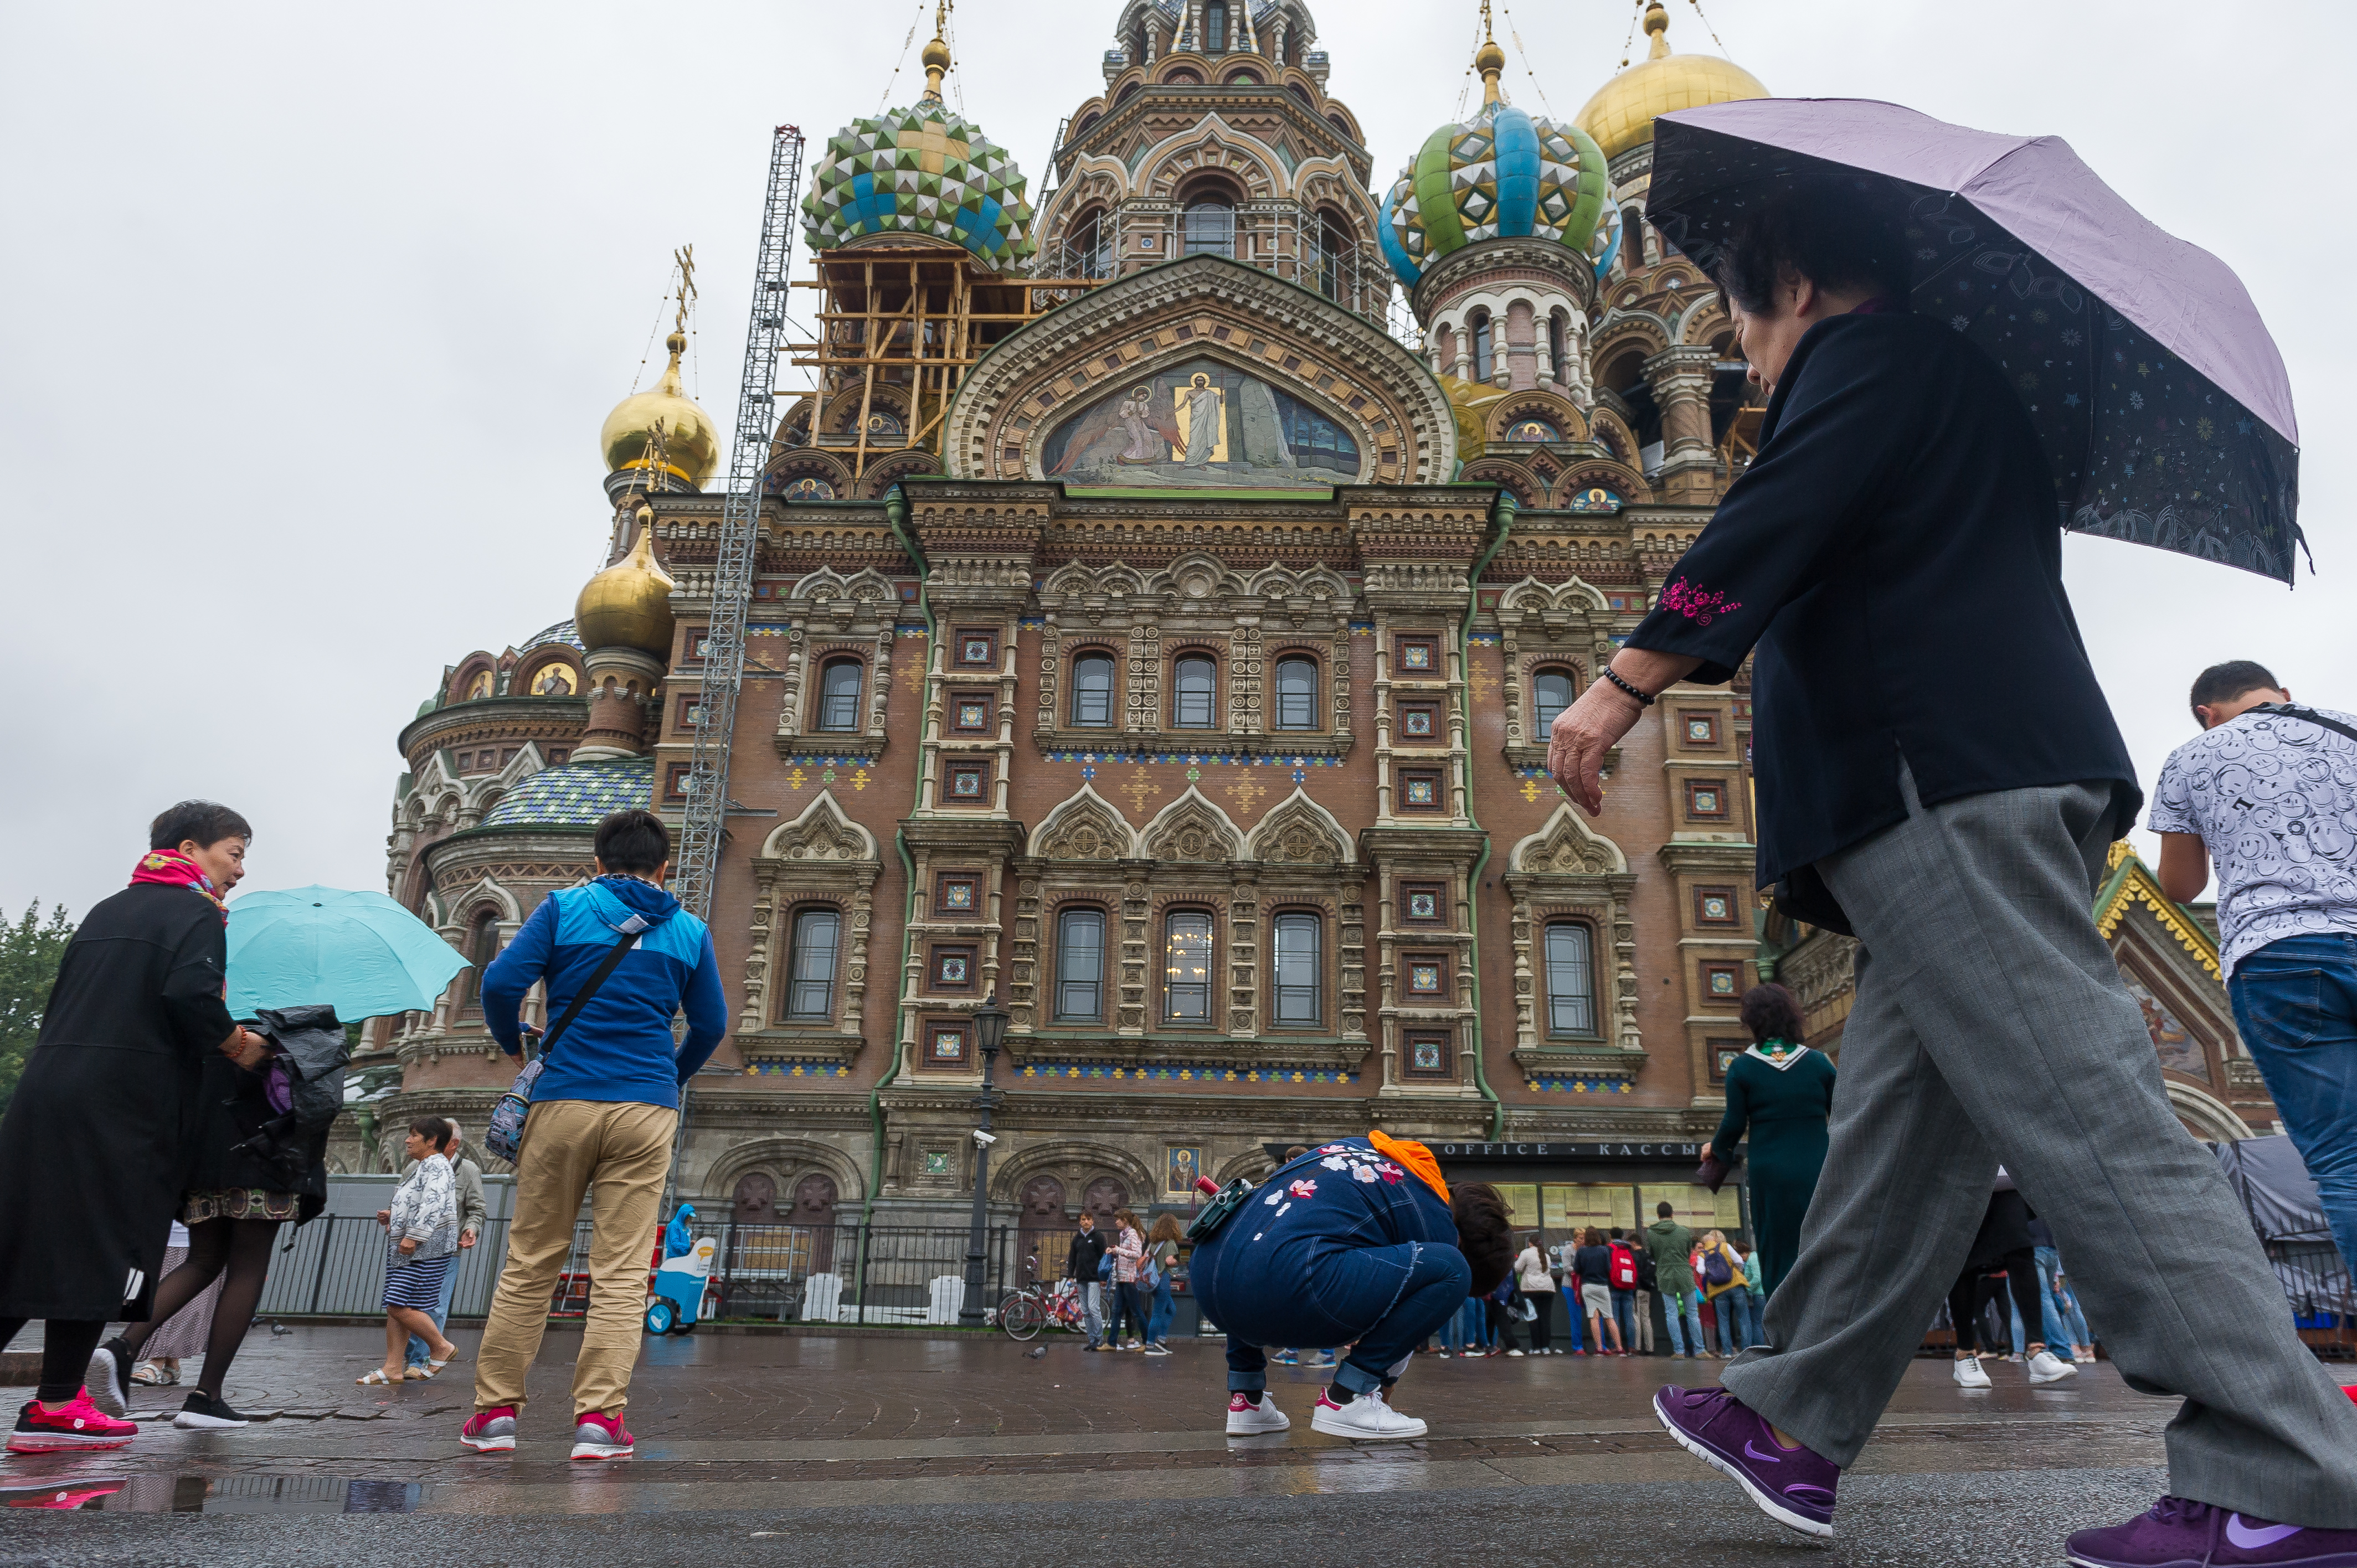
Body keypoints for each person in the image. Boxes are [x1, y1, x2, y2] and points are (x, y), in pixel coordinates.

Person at [1579, 183, 2357, 1552]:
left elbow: (1778, 515)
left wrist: (1630, 675)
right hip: (1960, 780)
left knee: (2094, 1113)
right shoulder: (1952, 385)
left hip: (1934, 780)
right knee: (1906, 1135)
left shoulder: (1873, 363)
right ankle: (1797, 1417)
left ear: (1800, 285)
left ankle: (2281, 1473)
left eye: (1743, 320)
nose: (1745, 356)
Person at [461, 808, 726, 1461]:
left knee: (531, 1262)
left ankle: (495, 1416)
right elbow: (711, 1025)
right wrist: (667, 1077)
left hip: (562, 1103)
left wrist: (515, 1042)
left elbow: (499, 984)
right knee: (623, 1269)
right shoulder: (689, 929)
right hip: (645, 1109)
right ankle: (598, 1425)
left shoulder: (562, 908)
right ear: (663, 867)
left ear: (598, 860)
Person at [0, 801, 265, 1453]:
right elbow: (188, 997)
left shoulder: (108, 909)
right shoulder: (196, 912)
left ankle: (60, 1405)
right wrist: (238, 1045)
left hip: (48, 1093)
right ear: (191, 847)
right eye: (234, 852)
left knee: (26, 1245)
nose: (239, 870)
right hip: (121, 1103)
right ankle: (57, 1405)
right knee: (106, 1246)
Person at [2153, 662, 2357, 1279]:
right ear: (2282, 695)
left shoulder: (2190, 756)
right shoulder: (2346, 730)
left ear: (2205, 714)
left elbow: (2182, 886)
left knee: (2342, 1159)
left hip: (2278, 955)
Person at [91, 1001, 347, 1428]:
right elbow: (315, 1106)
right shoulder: (299, 1034)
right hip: (264, 1163)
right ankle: (206, 1397)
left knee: (203, 1261)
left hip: (202, 1165)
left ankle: (122, 1347)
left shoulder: (211, 1026)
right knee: (247, 1270)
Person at [1188, 1133, 1513, 1440]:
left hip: (1207, 1278)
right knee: (1451, 1269)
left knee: (1258, 1251)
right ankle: (1347, 1399)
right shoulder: (1436, 1218)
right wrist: (1377, 1386)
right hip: (1292, 1288)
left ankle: (1247, 1401)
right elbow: (1407, 1315)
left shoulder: (1361, 1151)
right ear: (1465, 1237)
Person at [1707, 984, 1835, 1298]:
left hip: (1770, 1172)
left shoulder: (1743, 1067)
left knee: (1776, 1246)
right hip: (1819, 1167)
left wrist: (1716, 1151)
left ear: (1751, 1021)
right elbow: (1846, 1113)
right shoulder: (1819, 1063)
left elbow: (1734, 1124)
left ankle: (1785, 1329)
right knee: (1823, 1241)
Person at [1945, 1173, 2076, 1389]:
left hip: (2008, 1182)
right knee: (1963, 1260)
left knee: (2022, 1254)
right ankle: (1965, 1353)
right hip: (1963, 1181)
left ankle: (2037, 1351)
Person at [366, 1118, 462, 1388]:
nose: (408, 1141)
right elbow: (422, 1201)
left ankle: (440, 1347)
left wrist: (414, 1236)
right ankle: (393, 1368)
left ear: (432, 1141)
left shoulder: (436, 1165)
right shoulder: (425, 1166)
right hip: (417, 1247)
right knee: (400, 1307)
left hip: (425, 1248)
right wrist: (395, 1215)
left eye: (415, 1136)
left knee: (398, 1304)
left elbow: (433, 1203)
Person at [404, 1122, 485, 1379]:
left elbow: (477, 1209)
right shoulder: (413, 1167)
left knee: (435, 1307)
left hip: (446, 1252)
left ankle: (421, 1361)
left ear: (454, 1144)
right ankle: (406, 1359)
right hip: (413, 1249)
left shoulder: (468, 1170)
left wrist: (471, 1228)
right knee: (405, 1305)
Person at [127, 1223, 219, 1390]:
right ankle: (172, 1364)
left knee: (183, 1309)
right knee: (159, 1302)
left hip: (199, 1241)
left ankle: (156, 1361)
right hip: (162, 1238)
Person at [1641, 1204, 1704, 1358]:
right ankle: (1700, 1350)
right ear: (1672, 1214)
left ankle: (1679, 1350)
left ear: (1658, 1215)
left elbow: (1652, 1254)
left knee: (1671, 1314)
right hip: (1684, 1273)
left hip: (1665, 1274)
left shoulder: (1651, 1233)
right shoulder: (1684, 1232)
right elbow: (1687, 1251)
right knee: (1692, 1313)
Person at [1569, 1227, 1622, 1355]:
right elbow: (1609, 1268)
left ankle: (1599, 1348)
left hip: (1588, 1286)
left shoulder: (1582, 1251)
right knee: (1609, 1317)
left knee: (1594, 1317)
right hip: (1602, 1286)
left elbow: (1577, 1269)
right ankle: (1620, 1348)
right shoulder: (1604, 1250)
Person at [1699, 1230, 1750, 1356]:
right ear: (1715, 1240)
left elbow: (1700, 1270)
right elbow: (1739, 1261)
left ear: (1704, 1243)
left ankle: (1727, 1352)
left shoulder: (1702, 1254)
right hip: (1736, 1285)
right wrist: (1733, 1271)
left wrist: (1712, 1273)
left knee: (1723, 1321)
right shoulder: (1725, 1246)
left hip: (1718, 1290)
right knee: (1744, 1318)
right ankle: (1747, 1352)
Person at [1067, 1211, 1108, 1349]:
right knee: (1085, 1310)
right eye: (1084, 1219)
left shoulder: (1098, 1237)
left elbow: (1104, 1258)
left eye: (1089, 1219)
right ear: (1080, 1221)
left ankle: (1099, 1339)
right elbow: (1072, 1258)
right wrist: (1071, 1275)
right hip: (1081, 1279)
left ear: (1092, 1221)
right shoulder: (1077, 1239)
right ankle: (1091, 1340)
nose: (1086, 1222)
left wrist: (1104, 1277)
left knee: (1093, 1308)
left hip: (1095, 1279)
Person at [1143, 1214, 1182, 1354]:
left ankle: (1162, 1340)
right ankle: (1151, 1345)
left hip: (1153, 1281)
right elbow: (1169, 1261)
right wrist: (1180, 1259)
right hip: (1163, 1279)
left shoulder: (1153, 1243)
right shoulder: (1170, 1243)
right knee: (1158, 1313)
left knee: (1171, 1310)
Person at [1109, 1209, 1146, 1351]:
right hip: (1121, 1277)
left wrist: (1118, 1250)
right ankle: (1111, 1343)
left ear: (1125, 1220)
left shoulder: (1133, 1234)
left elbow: (1137, 1254)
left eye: (1118, 1219)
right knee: (1117, 1311)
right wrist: (1115, 1253)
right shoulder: (1123, 1234)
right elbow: (1125, 1255)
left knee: (1136, 1311)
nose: (1116, 1222)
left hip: (1129, 1279)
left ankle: (1147, 1342)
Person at [1512, 1235, 1557, 1354]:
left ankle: (1536, 1348)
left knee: (1533, 1318)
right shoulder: (1546, 1255)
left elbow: (1517, 1268)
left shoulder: (1526, 1253)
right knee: (1545, 1318)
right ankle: (1546, 1347)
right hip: (1548, 1289)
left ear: (1530, 1243)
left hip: (1531, 1289)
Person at [1609, 1227, 1646, 1353]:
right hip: (1629, 1287)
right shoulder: (1629, 1249)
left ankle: (1616, 1346)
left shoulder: (1610, 1249)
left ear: (1610, 1236)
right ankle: (1632, 1346)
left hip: (1614, 1287)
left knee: (1615, 1318)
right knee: (1629, 1318)